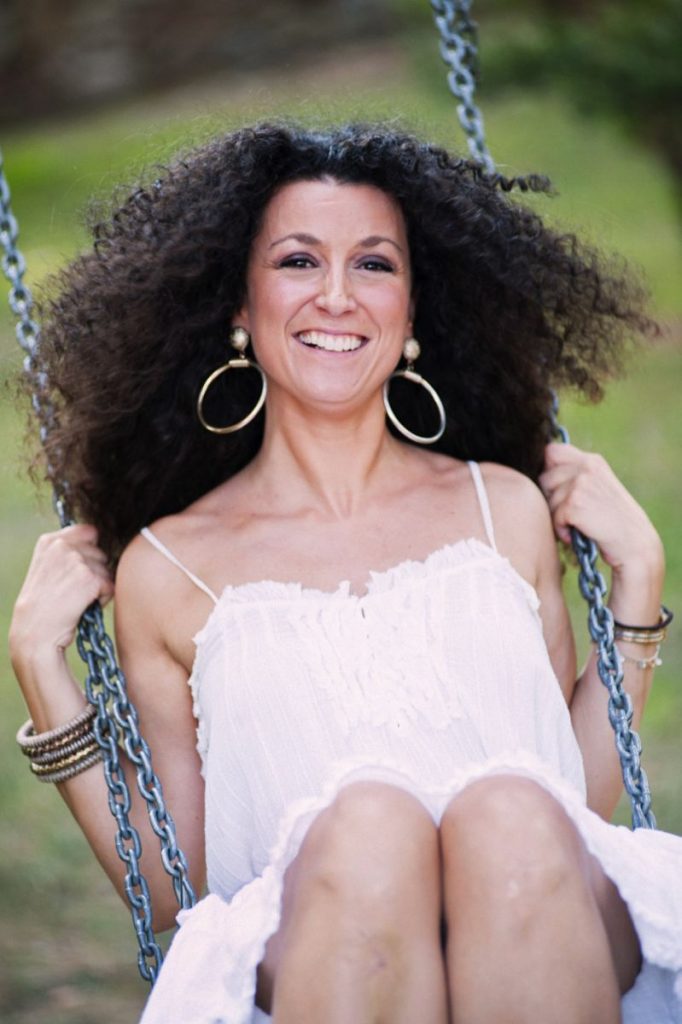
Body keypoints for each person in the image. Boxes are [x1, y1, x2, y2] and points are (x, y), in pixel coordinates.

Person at [9, 121, 682, 1024]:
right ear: (238, 305)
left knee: (511, 814)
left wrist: (637, 584)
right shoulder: (168, 569)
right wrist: (43, 671)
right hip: (323, 945)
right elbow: (173, 883)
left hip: (539, 901)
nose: (336, 296)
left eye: (373, 264)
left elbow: (578, 802)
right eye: (297, 261)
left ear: (411, 309)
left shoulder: (503, 508)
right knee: (370, 825)